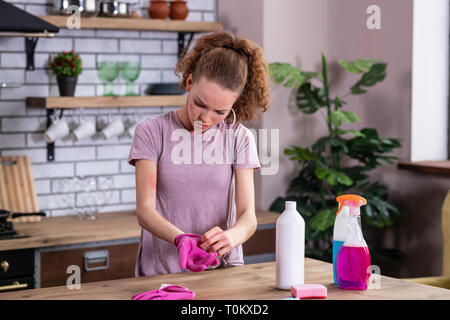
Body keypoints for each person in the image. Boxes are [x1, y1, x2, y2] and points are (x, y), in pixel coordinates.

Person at [128, 31, 270, 277]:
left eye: (220, 112)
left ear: (234, 104)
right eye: (200, 104)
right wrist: (181, 239)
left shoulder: (239, 137)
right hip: (163, 271)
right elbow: (145, 211)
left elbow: (248, 216)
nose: (206, 118)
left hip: (222, 270)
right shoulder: (151, 132)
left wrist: (231, 237)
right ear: (190, 83)